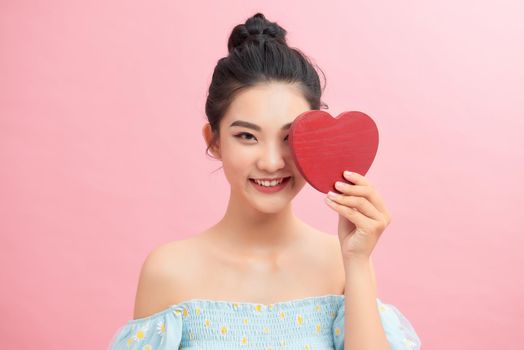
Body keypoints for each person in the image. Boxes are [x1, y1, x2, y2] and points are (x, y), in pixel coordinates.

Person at [108, 12, 421, 350]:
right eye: (247, 136)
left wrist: (358, 261)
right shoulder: (169, 272)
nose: (271, 162)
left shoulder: (342, 262)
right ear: (213, 141)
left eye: (289, 138)